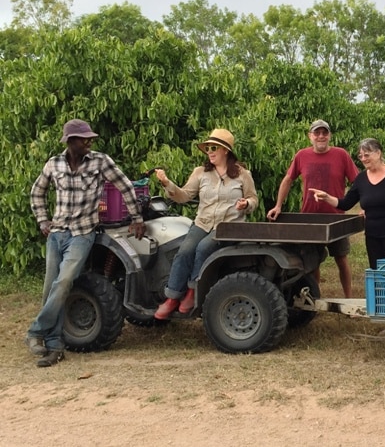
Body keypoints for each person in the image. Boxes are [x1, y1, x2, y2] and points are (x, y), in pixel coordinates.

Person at [27, 119, 146, 367]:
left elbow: (124, 185)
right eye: (84, 139)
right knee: (51, 288)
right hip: (57, 232)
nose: (89, 142)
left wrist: (136, 217)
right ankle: (54, 345)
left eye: (90, 138)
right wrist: (42, 221)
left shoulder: (100, 161)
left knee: (65, 281)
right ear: (71, 142)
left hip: (82, 234)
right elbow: (37, 191)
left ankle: (36, 330)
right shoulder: (54, 163)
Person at [153, 128, 258, 319]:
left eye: (213, 148)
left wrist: (246, 204)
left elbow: (253, 199)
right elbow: (184, 196)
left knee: (203, 248)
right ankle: (172, 297)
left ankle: (193, 291)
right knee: (184, 251)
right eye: (208, 148)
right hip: (203, 222)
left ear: (225, 150)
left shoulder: (242, 174)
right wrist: (167, 183)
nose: (209, 151)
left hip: (228, 226)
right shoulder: (200, 172)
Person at [266, 120, 359, 297]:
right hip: (309, 217)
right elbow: (288, 180)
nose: (321, 136)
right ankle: (315, 298)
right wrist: (278, 205)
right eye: (317, 133)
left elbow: (358, 182)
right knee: (312, 262)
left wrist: (364, 205)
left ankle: (349, 297)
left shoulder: (341, 155)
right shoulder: (302, 155)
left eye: (325, 133)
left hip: (335, 216)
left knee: (341, 258)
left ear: (330, 136)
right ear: (310, 136)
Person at [310, 138, 385, 271]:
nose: (363, 159)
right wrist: (326, 197)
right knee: (378, 271)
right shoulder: (361, 179)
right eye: (361, 156)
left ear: (378, 153)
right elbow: (345, 204)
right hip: (373, 235)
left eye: (367, 155)